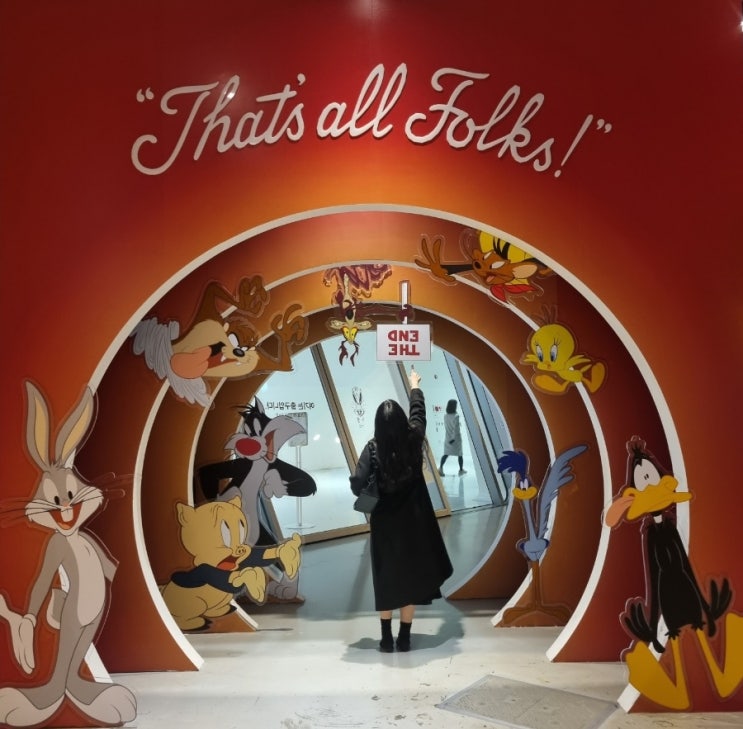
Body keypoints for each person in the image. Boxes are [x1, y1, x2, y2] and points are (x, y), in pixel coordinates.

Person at [350, 366, 453, 652]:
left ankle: (386, 638)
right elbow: (418, 413)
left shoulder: (372, 448)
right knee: (409, 577)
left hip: (385, 524)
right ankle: (404, 637)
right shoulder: (414, 439)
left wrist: (367, 487)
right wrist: (414, 385)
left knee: (387, 578)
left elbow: (358, 483)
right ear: (401, 421)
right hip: (415, 522)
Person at [438, 399, 466, 476]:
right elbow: (456, 429)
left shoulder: (445, 416)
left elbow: (448, 427)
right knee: (460, 454)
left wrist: (450, 439)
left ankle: (440, 468)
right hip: (455, 439)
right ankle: (461, 470)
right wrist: (453, 439)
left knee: (446, 454)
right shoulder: (456, 416)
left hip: (447, 438)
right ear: (454, 406)